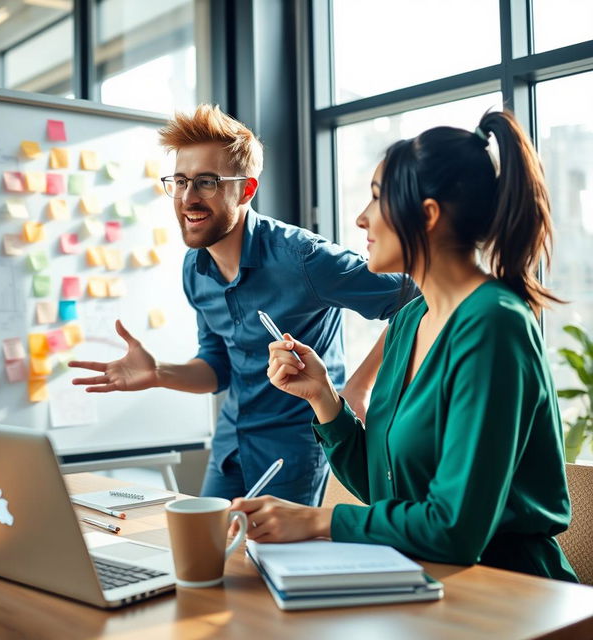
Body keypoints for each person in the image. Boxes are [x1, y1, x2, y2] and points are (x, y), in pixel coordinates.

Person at [233, 110, 578, 582]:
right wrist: (323, 398)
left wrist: (317, 519)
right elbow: (386, 490)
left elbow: (454, 528)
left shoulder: (494, 324)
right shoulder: (410, 319)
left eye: (377, 198)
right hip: (420, 580)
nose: (361, 217)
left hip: (509, 593)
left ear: (428, 216)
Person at [70, 104, 409, 506]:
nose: (187, 198)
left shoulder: (303, 258)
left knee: (271, 564)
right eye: (180, 181)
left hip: (294, 449)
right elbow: (218, 368)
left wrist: (358, 386)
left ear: (246, 189)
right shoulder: (195, 268)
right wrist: (159, 372)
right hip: (231, 443)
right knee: (209, 554)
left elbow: (416, 298)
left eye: (206, 183)